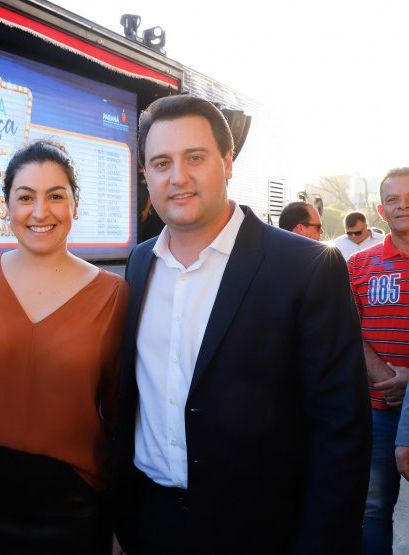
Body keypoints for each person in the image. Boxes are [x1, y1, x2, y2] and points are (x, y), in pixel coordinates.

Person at [113, 94, 371, 554]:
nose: (178, 177)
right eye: (161, 163)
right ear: (145, 174)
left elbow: (341, 432)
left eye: (195, 157)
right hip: (152, 524)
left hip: (261, 532)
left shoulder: (306, 267)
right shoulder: (139, 263)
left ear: (228, 162)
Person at [0, 139, 128, 553]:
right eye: (25, 197)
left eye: (55, 196)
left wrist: (125, 516)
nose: (40, 212)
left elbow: (120, 413)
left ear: (75, 205)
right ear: (6, 206)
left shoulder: (112, 293)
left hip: (76, 504)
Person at [354, 168, 409, 554]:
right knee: (372, 509)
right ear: (380, 210)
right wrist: (386, 379)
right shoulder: (357, 265)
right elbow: (345, 329)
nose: (403, 206)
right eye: (393, 200)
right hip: (377, 409)